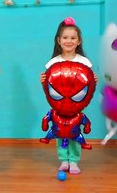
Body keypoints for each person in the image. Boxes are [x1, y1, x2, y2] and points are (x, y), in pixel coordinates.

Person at [39, 17, 95, 175]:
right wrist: (42, 81)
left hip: (75, 106)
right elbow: (49, 86)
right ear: (58, 40)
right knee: (59, 132)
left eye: (73, 38)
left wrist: (93, 80)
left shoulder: (84, 62)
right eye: (65, 37)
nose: (68, 41)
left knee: (75, 133)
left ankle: (74, 161)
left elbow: (88, 84)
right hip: (59, 107)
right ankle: (64, 160)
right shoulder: (52, 63)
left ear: (79, 41)